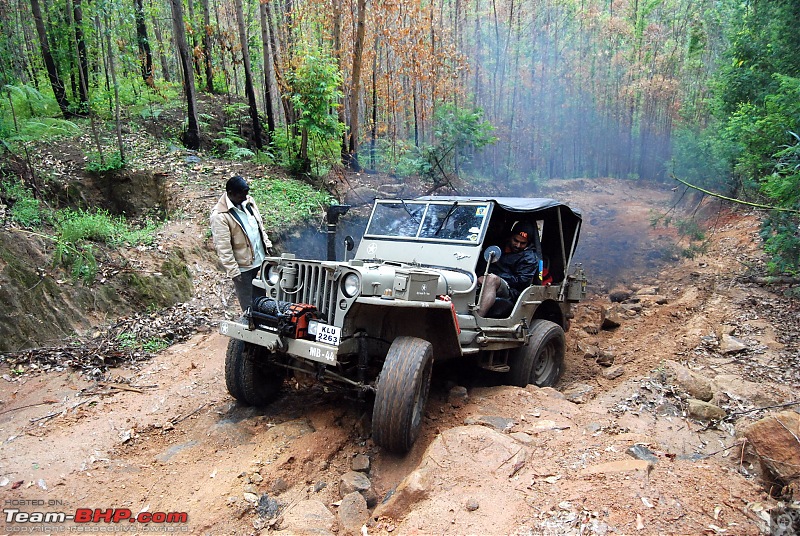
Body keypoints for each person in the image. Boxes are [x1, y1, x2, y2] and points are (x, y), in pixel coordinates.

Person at [210, 176, 272, 311]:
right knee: (248, 303)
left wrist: (267, 244)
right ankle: (251, 326)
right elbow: (223, 247)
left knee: (262, 298)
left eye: (246, 194)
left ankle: (265, 323)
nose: (245, 198)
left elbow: (259, 226)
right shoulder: (220, 216)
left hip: (260, 260)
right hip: (243, 267)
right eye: (241, 195)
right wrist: (233, 270)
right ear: (230, 193)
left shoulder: (248, 201)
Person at [477, 221, 540, 316]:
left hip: (511, 290)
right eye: (516, 241)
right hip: (485, 278)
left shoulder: (529, 258)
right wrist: (479, 276)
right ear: (511, 236)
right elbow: (482, 263)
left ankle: (478, 317)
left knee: (492, 279)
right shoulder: (497, 246)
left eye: (523, 243)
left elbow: (521, 281)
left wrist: (488, 277)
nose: (518, 245)